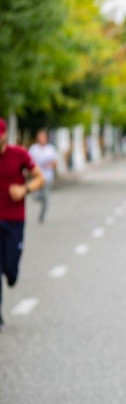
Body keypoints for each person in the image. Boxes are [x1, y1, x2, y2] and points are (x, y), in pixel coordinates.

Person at [0, 118, 45, 332]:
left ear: (4, 135)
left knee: (10, 269)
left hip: (14, 219)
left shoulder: (19, 154)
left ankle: (12, 273)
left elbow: (39, 177)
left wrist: (24, 190)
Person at [28, 129, 59, 223]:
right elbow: (28, 161)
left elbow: (55, 163)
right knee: (35, 196)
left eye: (43, 136)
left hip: (47, 177)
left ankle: (42, 216)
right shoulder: (34, 149)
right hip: (37, 177)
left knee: (45, 197)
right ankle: (43, 198)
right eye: (40, 136)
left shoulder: (50, 149)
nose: (42, 138)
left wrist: (49, 165)